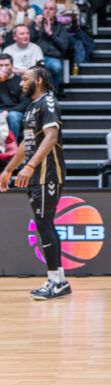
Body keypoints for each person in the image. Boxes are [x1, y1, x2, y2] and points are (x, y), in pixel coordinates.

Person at [0, 64, 69, 299]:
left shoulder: (48, 103)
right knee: (45, 223)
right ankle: (59, 280)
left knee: (43, 223)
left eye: (25, 79)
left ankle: (55, 282)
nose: (20, 83)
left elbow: (51, 137)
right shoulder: (32, 107)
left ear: (38, 80)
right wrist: (8, 170)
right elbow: (25, 144)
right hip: (37, 173)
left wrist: (29, 167)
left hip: (47, 173)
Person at [0, 54, 28, 138]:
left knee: (13, 117)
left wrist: (8, 111)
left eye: (6, 65)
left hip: (14, 110)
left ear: (12, 66)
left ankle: (13, 146)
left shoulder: (20, 81)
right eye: (1, 65)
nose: (3, 67)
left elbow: (24, 103)